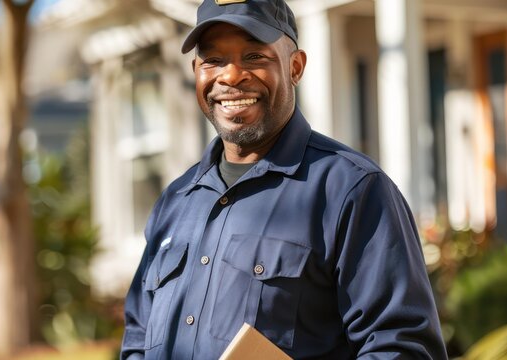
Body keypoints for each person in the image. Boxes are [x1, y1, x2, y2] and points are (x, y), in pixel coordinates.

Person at [121, 0, 448, 358]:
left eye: (254, 57)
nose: (230, 77)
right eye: (214, 60)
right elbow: (137, 339)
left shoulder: (350, 190)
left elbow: (402, 346)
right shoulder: (175, 201)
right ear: (196, 71)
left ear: (295, 66)